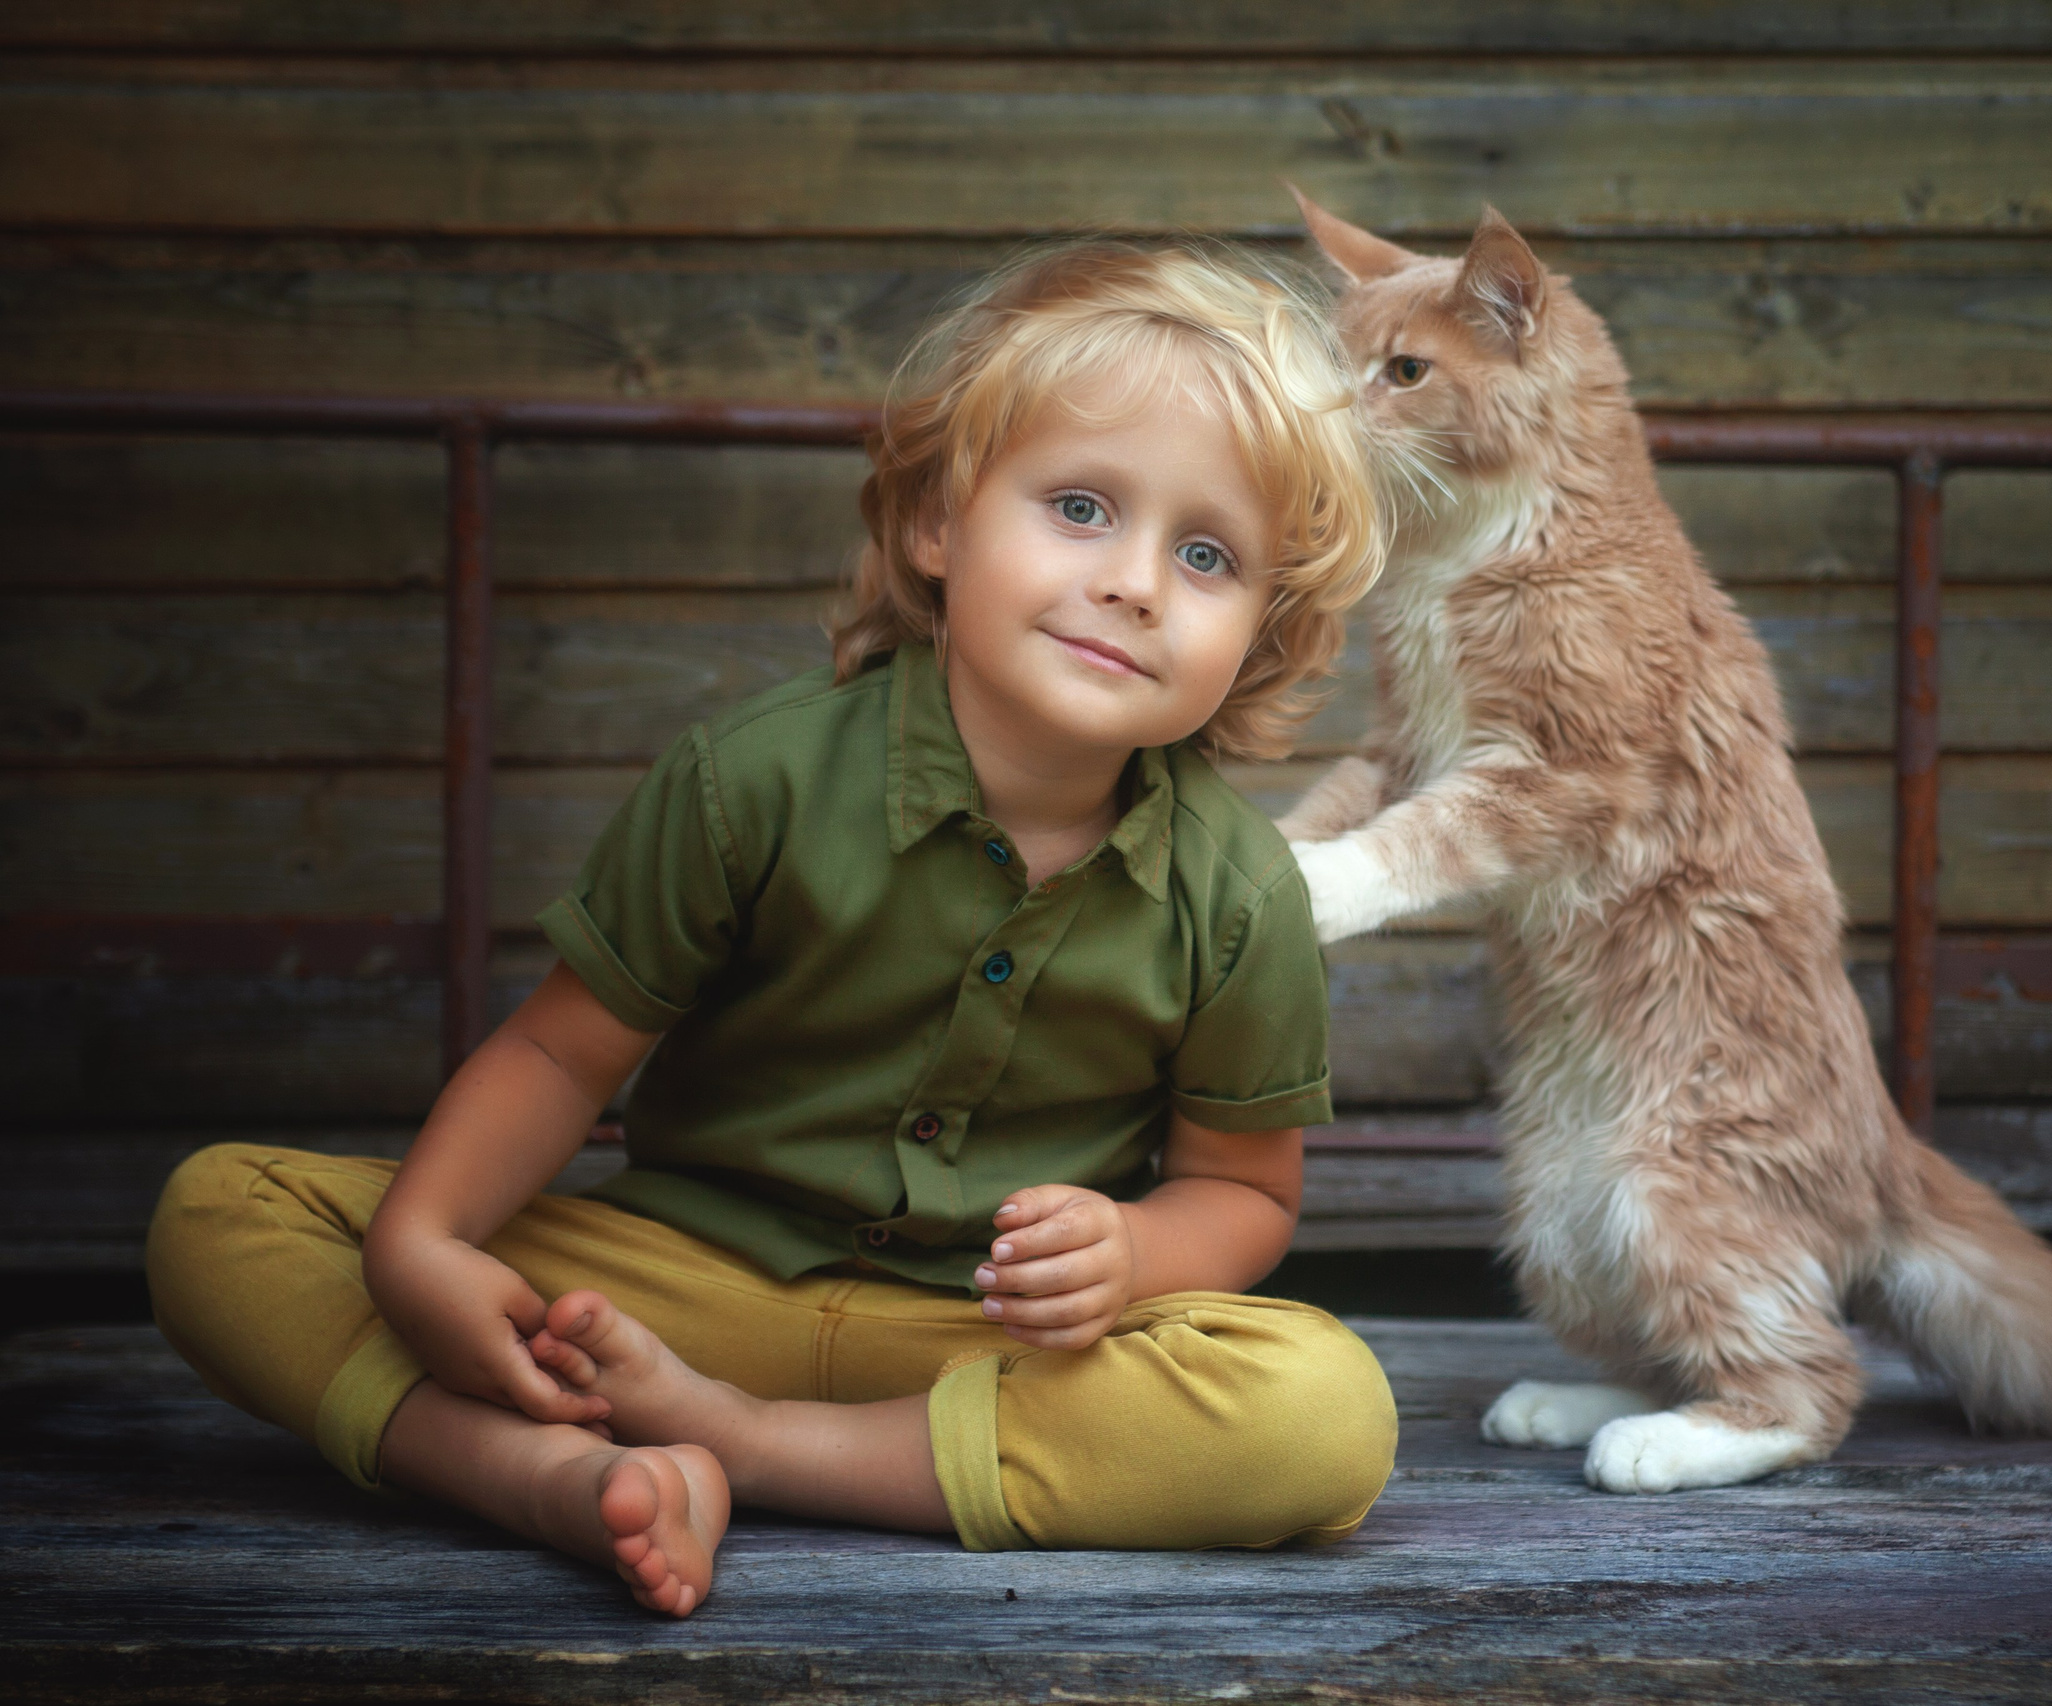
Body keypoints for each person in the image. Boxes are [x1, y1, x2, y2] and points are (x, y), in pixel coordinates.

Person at [145, 239, 1397, 1616]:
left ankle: (746, 1447)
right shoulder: (754, 781)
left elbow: (1245, 1190)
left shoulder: (1240, 896)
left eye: (1207, 553)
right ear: (939, 520)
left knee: (1323, 1411)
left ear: (1263, 638)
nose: (1138, 580)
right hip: (672, 1283)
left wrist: (1134, 1253)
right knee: (221, 1216)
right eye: (1083, 505)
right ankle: (537, 1475)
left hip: (975, 1343)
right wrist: (426, 1244)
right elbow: (564, 1058)